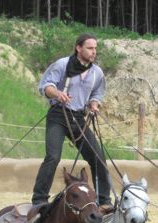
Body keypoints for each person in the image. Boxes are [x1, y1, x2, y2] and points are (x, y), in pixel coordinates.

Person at [31, 33, 112, 210]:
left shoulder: (96, 72)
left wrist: (94, 104)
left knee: (98, 157)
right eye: (90, 48)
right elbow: (46, 86)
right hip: (58, 115)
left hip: (78, 118)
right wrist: (57, 94)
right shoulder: (62, 65)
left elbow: (98, 93)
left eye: (95, 49)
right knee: (53, 157)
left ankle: (104, 201)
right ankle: (39, 199)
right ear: (78, 48)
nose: (93, 52)